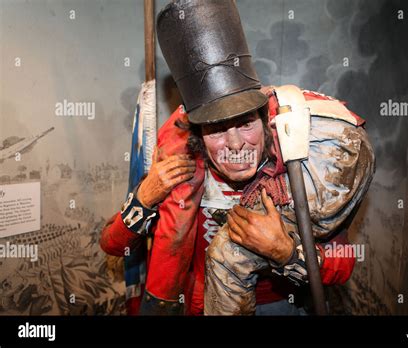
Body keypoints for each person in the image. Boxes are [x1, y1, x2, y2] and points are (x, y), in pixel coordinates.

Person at [100, 0, 375, 316]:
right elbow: (112, 245)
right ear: (199, 136)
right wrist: (145, 198)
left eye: (245, 124)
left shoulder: (294, 169)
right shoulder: (183, 171)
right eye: (216, 130)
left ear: (265, 123)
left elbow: (345, 262)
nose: (234, 144)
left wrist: (286, 253)